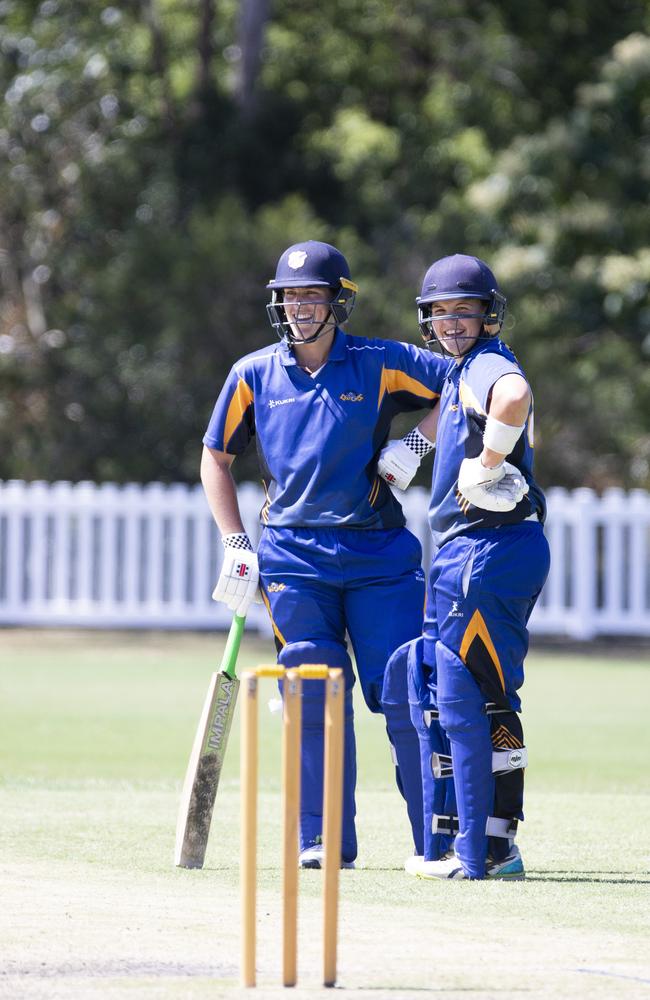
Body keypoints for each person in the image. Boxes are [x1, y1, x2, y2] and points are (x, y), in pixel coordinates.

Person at [200, 240, 448, 868]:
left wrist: (417, 444)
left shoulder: (381, 362)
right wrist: (234, 541)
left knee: (405, 691)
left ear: (338, 301)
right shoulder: (253, 373)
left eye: (313, 295)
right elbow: (216, 457)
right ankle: (321, 841)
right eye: (290, 297)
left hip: (379, 553)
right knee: (313, 692)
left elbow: (469, 382)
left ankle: (436, 843)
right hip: (291, 559)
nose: (300, 308)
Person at [378, 253, 550, 879]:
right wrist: (417, 448)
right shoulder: (459, 371)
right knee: (490, 696)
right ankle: (492, 841)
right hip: (492, 548)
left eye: (465, 310)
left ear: (487, 315)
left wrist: (486, 464)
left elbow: (513, 395)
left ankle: (478, 849)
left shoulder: (486, 364)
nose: (452, 322)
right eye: (441, 312)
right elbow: (448, 409)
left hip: (485, 547)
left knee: (461, 692)